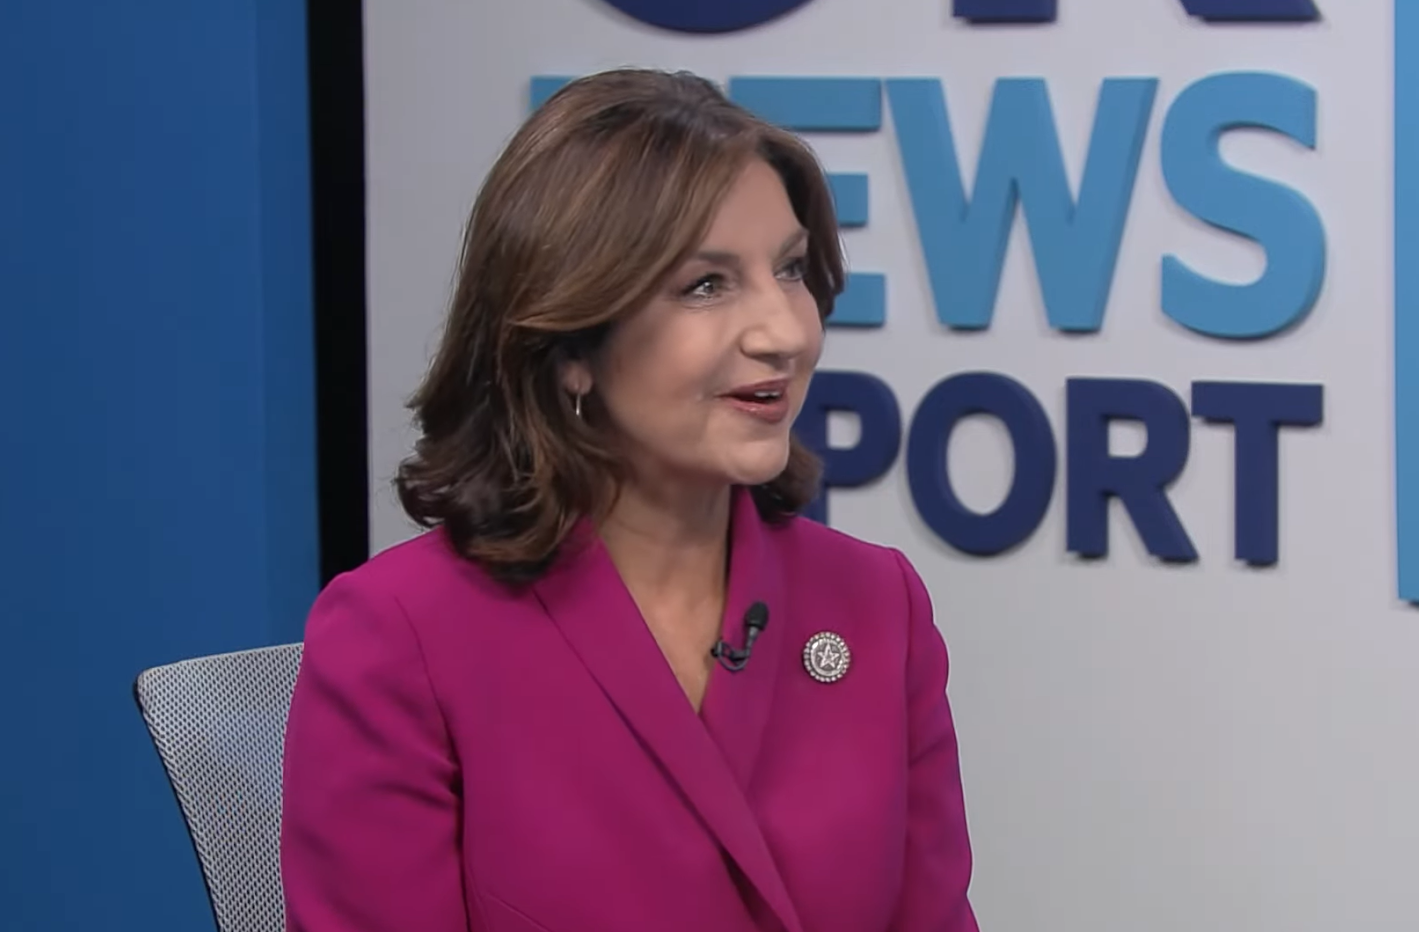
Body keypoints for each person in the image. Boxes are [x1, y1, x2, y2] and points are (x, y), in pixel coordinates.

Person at [280, 67, 980, 932]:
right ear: (571, 344)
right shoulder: (400, 638)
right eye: (706, 285)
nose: (787, 333)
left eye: (791, 269)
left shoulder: (877, 606)